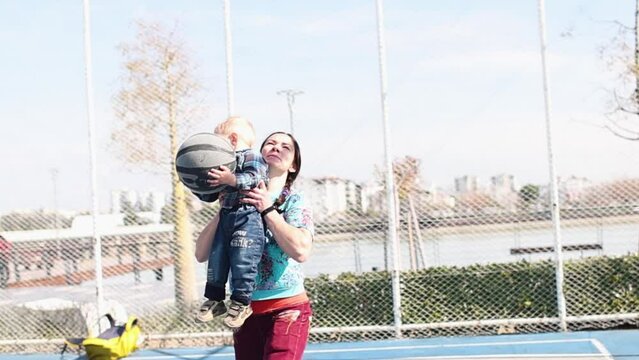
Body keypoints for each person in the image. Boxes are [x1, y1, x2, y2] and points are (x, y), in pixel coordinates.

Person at [195, 131, 314, 360]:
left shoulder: (295, 201)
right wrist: (226, 209)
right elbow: (200, 254)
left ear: (293, 166)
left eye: (285, 147)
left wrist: (267, 209)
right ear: (258, 156)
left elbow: (301, 251)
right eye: (270, 143)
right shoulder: (234, 202)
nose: (276, 147)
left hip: (287, 308)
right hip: (245, 312)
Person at [193, 116, 269, 329]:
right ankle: (215, 299)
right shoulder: (222, 165)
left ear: (233, 139)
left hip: (247, 217)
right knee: (217, 258)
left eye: (219, 142)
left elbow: (255, 178)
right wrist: (195, 181)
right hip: (226, 216)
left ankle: (242, 302)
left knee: (243, 259)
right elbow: (210, 195)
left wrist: (231, 180)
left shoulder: (252, 156)